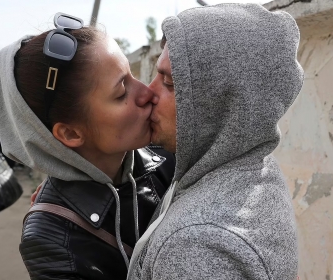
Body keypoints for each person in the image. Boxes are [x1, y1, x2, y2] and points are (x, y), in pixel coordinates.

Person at [0, 13, 175, 280]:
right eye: (122, 92)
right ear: (71, 133)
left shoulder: (170, 154)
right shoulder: (51, 238)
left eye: (132, 75)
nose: (147, 93)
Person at [126, 4, 304, 280]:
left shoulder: (197, 244)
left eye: (170, 83)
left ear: (221, 103)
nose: (149, 92)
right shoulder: (250, 164)